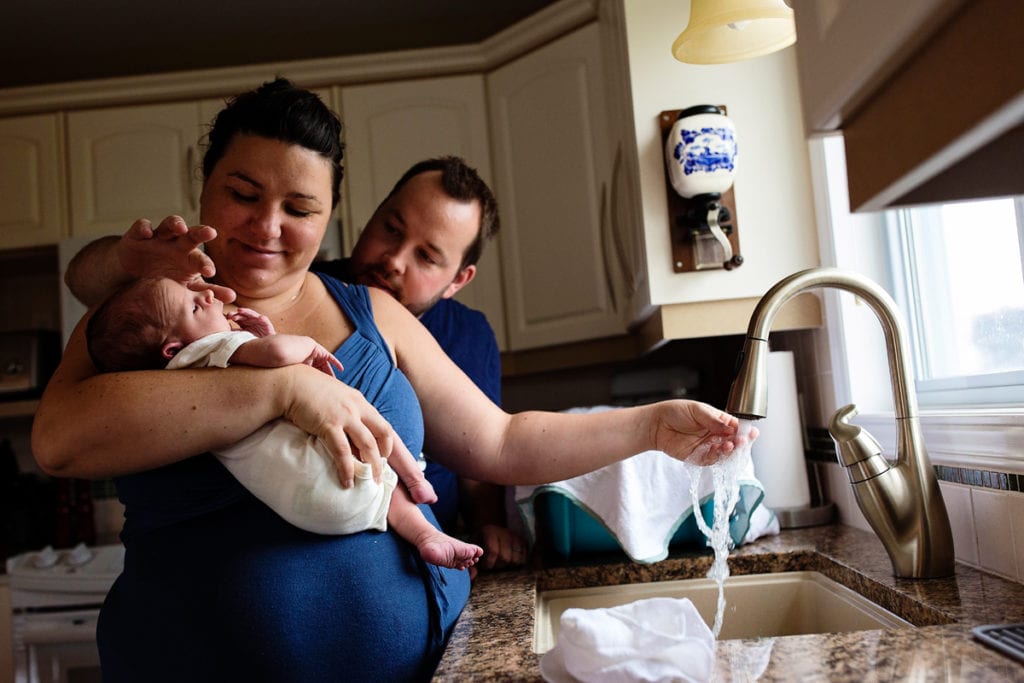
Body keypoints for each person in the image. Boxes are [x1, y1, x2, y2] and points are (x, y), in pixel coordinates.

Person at [33, 78, 755, 682]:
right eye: (243, 193)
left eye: (300, 208)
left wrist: (649, 426)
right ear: (205, 186)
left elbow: (499, 439)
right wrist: (280, 389)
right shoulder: (146, 313)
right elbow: (61, 440)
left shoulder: (372, 312)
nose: (268, 226)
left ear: (331, 217)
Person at [69, 155, 524, 571]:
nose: (394, 259)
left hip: (429, 557)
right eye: (391, 228)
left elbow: (485, 450)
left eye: (427, 256)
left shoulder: (469, 334)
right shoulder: (280, 287)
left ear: (458, 279)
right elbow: (86, 278)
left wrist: (491, 523)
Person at [85, 275, 483, 571]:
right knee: (373, 442)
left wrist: (260, 338)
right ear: (173, 348)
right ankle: (422, 498)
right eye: (193, 306)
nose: (207, 294)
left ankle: (428, 536)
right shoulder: (205, 352)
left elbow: (260, 360)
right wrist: (303, 343)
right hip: (327, 477)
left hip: (308, 504)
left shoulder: (180, 383)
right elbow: (276, 355)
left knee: (379, 494)